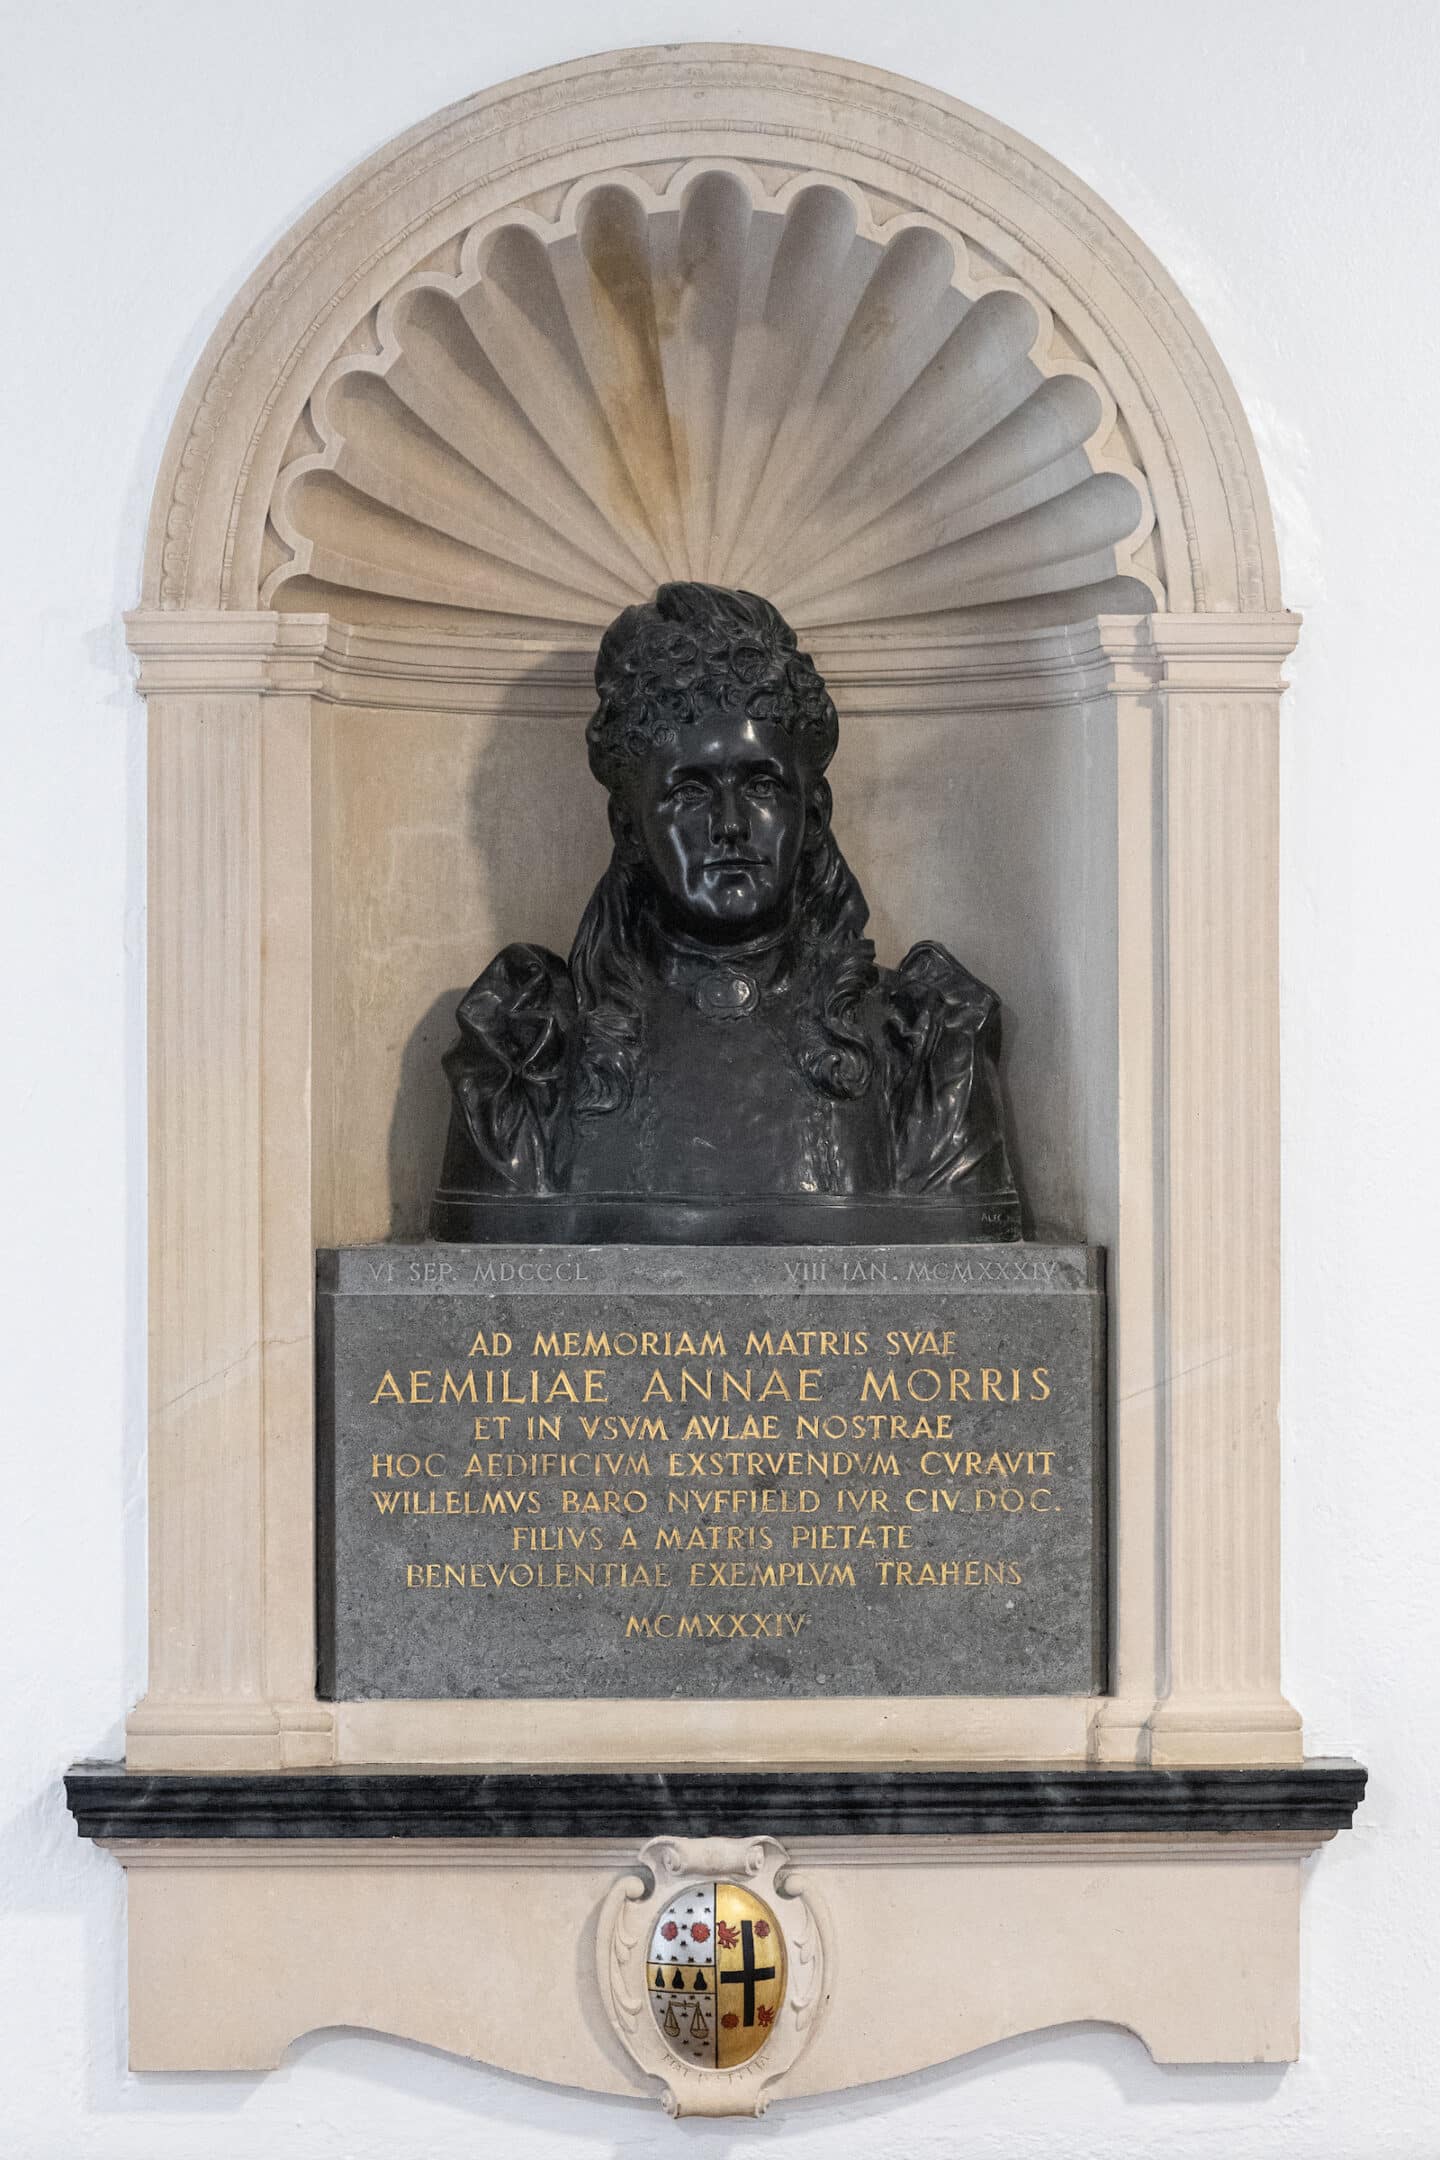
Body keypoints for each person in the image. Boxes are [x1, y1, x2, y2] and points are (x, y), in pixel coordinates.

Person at [432, 581, 1018, 1228]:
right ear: (629, 829)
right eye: (690, 792)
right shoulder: (531, 1051)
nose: (731, 824)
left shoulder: (919, 1050)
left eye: (762, 784)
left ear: (814, 815)